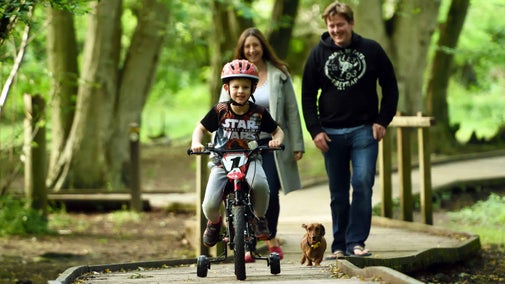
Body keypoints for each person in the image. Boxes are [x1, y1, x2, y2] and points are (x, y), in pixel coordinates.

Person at [301, 2, 399, 259]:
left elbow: (390, 86)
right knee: (339, 191)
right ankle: (338, 244)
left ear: (351, 24)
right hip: (331, 133)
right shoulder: (317, 54)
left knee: (363, 182)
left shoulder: (371, 50)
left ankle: (356, 241)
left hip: (364, 131)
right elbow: (308, 96)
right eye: (331, 26)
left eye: (340, 25)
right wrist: (315, 130)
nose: (336, 30)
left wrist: (382, 120)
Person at [220, 27, 305, 261]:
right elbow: (220, 110)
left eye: (255, 45)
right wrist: (217, 145)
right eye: (247, 46)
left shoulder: (279, 74)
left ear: (263, 46)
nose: (252, 50)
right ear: (242, 49)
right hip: (238, 142)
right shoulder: (233, 73)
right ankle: (247, 244)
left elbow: (291, 110)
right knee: (240, 190)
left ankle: (271, 237)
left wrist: (296, 142)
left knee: (269, 191)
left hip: (269, 142)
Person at [191, 59, 285, 248]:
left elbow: (278, 130)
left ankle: (259, 218)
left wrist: (277, 140)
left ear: (253, 88)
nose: (240, 91)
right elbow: (200, 128)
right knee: (209, 203)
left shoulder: (259, 112)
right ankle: (215, 223)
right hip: (221, 161)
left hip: (250, 159)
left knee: (260, 185)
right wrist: (196, 142)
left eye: (245, 87)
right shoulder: (220, 110)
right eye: (236, 87)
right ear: (227, 88)